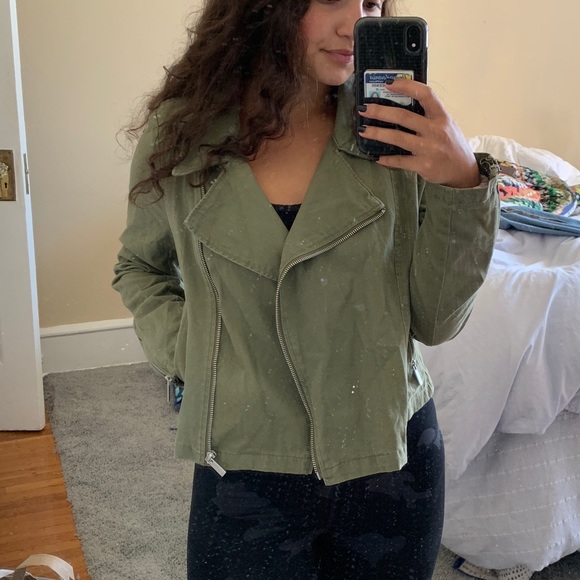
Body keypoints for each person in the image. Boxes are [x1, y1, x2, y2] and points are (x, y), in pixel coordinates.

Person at [112, 0, 500, 578]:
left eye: (371, 2)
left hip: (389, 455)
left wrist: (462, 184)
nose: (355, 23)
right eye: (331, 0)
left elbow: (436, 321)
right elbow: (141, 267)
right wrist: (194, 352)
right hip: (244, 458)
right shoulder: (184, 132)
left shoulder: (394, 131)